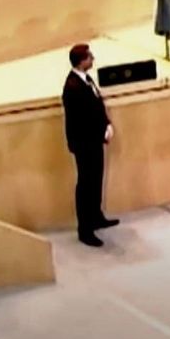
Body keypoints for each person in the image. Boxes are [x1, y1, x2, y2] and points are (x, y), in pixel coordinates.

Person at [62, 44, 118, 247]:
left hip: (95, 140)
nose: (93, 59)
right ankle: (85, 229)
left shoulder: (86, 80)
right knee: (86, 184)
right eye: (90, 57)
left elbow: (97, 106)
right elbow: (82, 120)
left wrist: (107, 124)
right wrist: (100, 130)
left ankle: (96, 216)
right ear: (82, 60)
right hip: (84, 143)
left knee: (96, 180)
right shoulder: (73, 87)